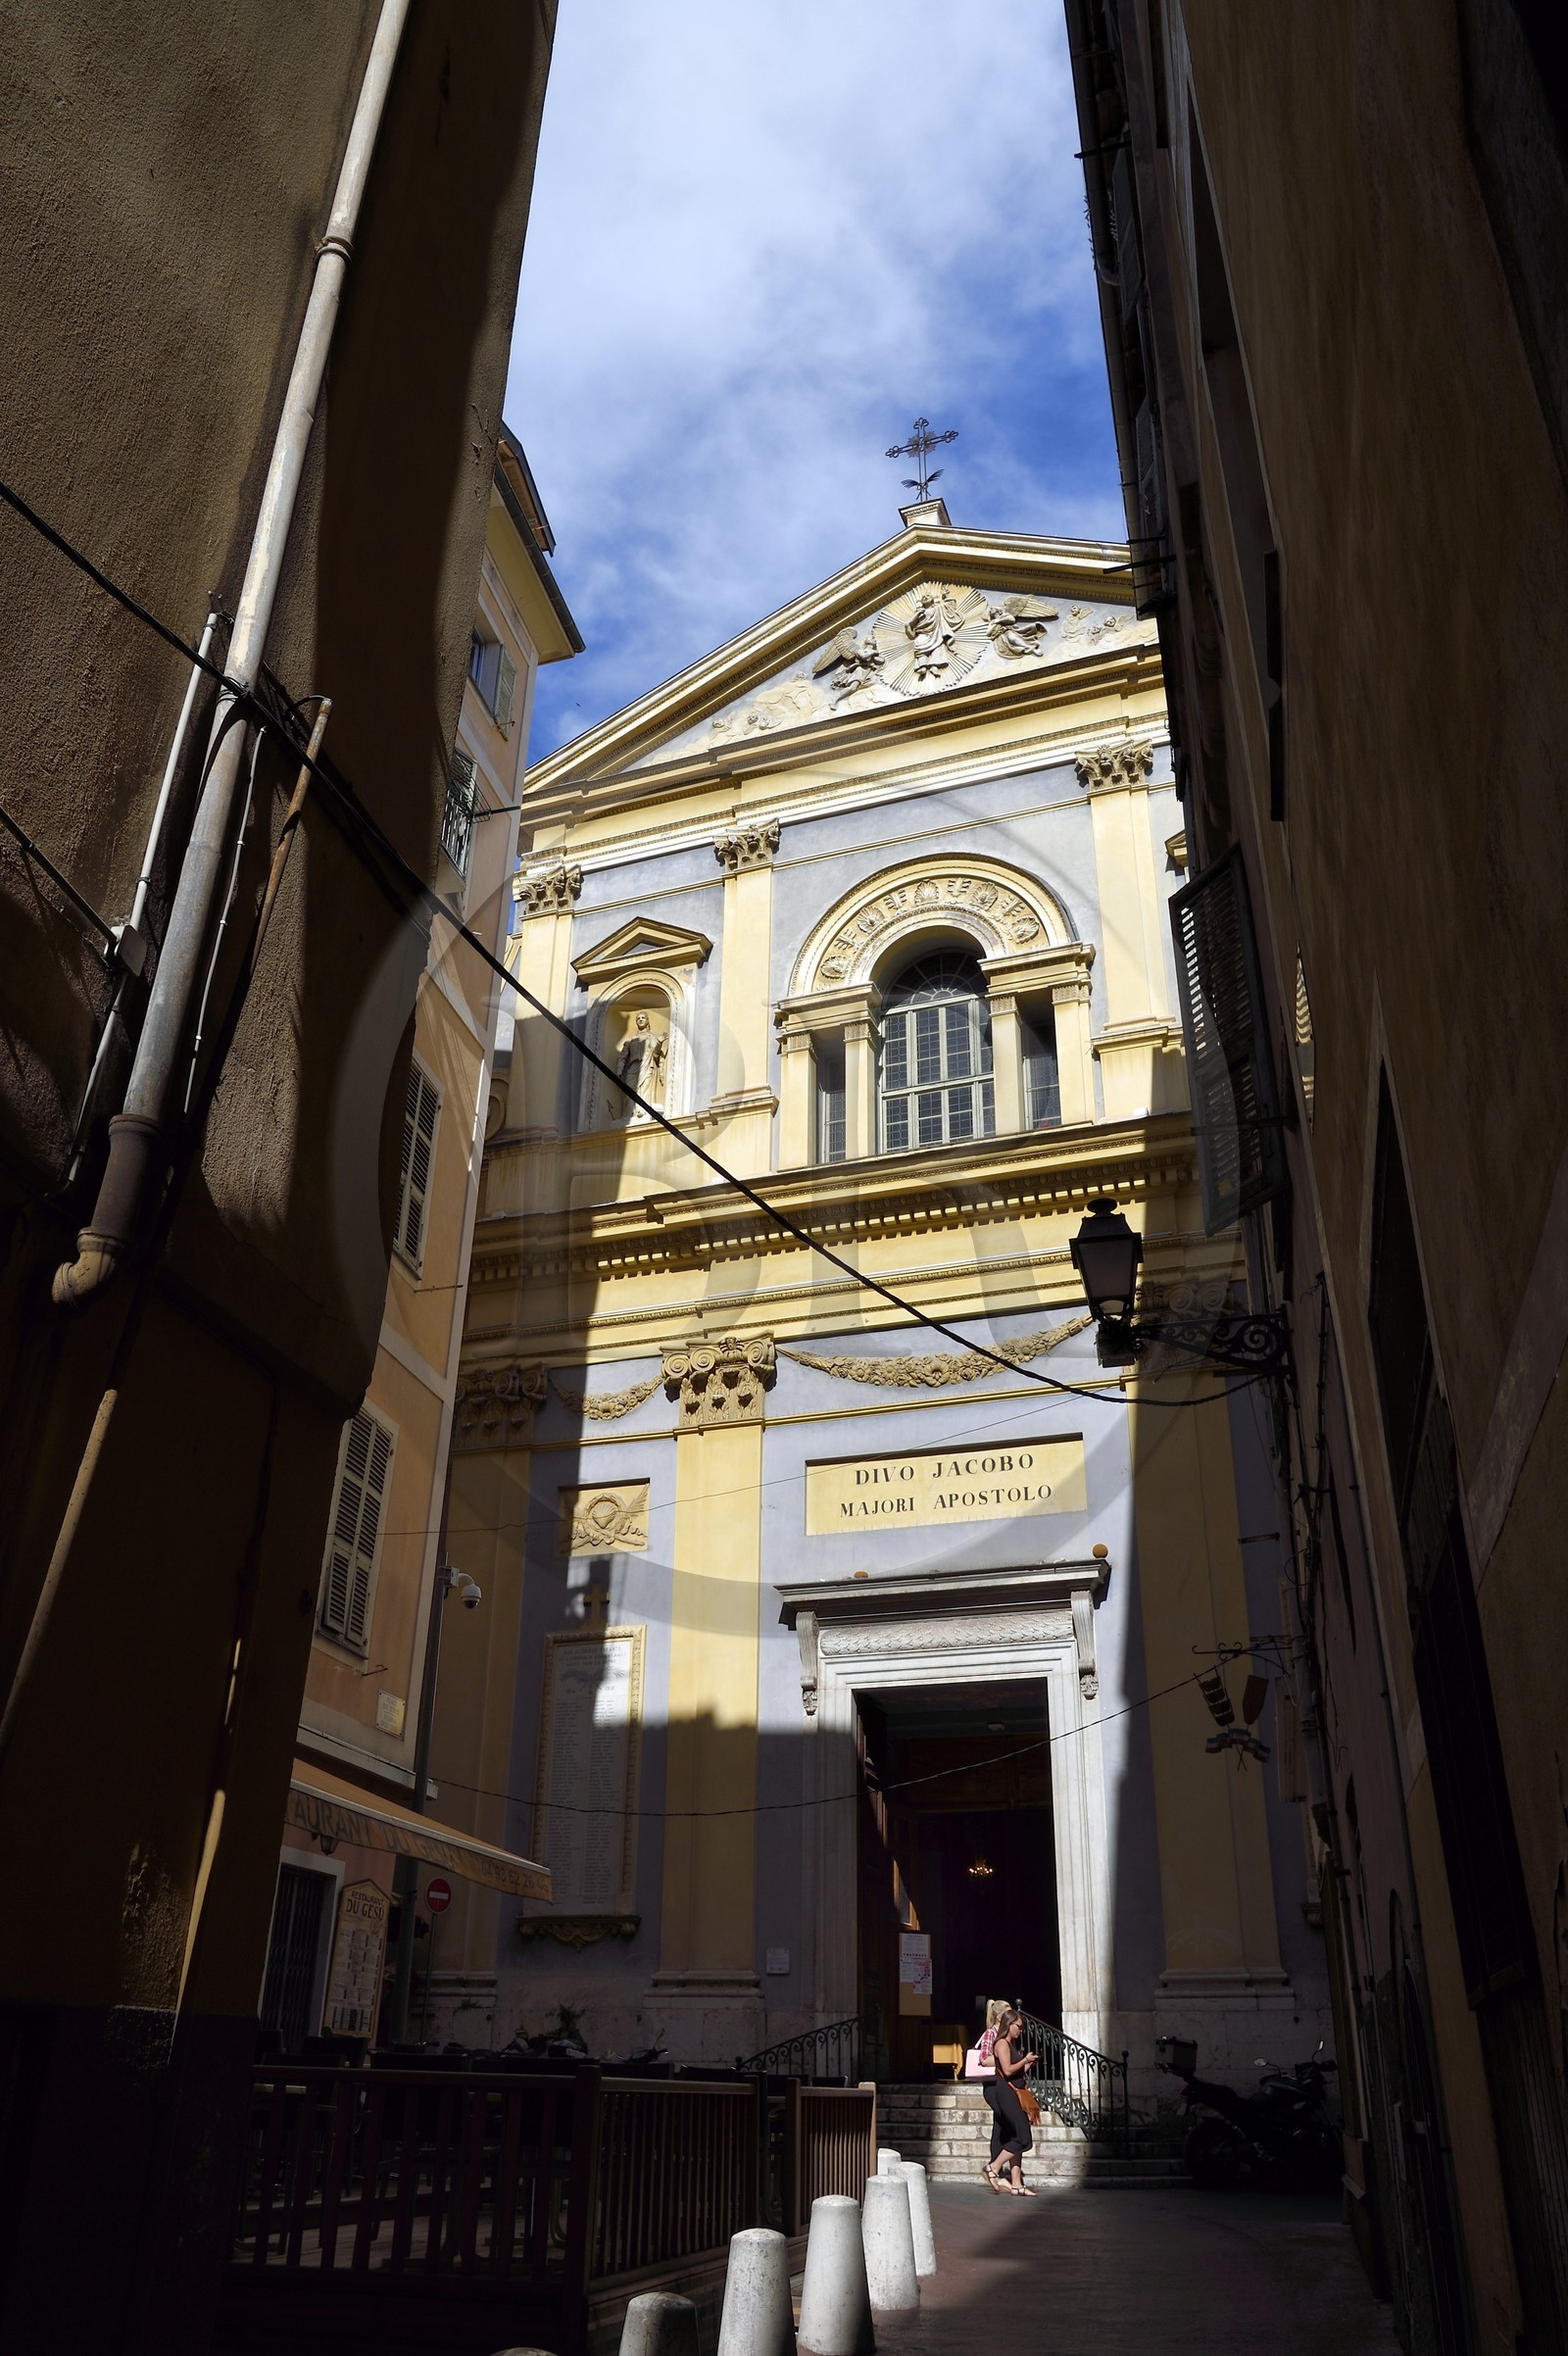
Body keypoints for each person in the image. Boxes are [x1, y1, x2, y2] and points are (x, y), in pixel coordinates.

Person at [981, 2004, 1038, 2195]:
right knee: (1023, 2138)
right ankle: (993, 2167)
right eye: (1019, 2026)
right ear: (1009, 2024)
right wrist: (1024, 2060)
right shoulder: (1001, 2043)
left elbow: (1016, 2073)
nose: (1021, 2030)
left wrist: (1027, 2063)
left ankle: (1016, 2184)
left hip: (1012, 2090)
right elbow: (1006, 2070)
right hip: (1004, 2092)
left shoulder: (1011, 2044)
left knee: (1018, 2136)